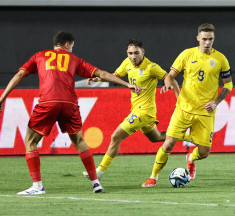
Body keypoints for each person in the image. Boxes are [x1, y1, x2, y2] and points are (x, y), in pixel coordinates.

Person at [0, 31, 144, 195]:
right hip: (70, 104)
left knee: (30, 141)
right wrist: (127, 84)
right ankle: (96, 183)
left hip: (48, 102)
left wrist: (3, 97)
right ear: (67, 45)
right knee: (79, 141)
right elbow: (102, 74)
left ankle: (37, 186)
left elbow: (20, 74)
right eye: (72, 47)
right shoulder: (74, 60)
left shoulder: (39, 56)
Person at [82, 38, 190, 180]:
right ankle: (192, 137)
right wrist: (98, 79)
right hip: (138, 110)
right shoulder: (127, 63)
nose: (133, 57)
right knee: (156, 138)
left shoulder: (151, 67)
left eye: (136, 53)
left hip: (144, 112)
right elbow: (114, 76)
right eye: (130, 53)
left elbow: (169, 78)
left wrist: (177, 97)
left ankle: (99, 172)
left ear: (142, 52)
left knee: (115, 137)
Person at [142, 23, 233, 187]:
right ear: (198, 38)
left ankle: (190, 158)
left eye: (210, 39)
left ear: (214, 39)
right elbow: (170, 75)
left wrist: (216, 103)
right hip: (183, 109)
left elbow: (228, 85)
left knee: (204, 152)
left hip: (205, 112)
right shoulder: (186, 54)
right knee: (168, 143)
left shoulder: (221, 59)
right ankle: (153, 177)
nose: (207, 42)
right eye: (204, 39)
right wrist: (168, 83)